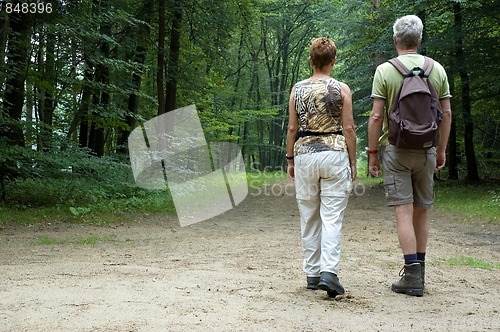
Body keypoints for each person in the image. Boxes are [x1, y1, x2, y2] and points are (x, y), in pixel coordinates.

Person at [368, 15, 452, 297]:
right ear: (419, 40)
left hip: (396, 149)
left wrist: (372, 154)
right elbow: (447, 113)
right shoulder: (436, 69)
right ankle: (421, 273)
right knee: (422, 212)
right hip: (427, 149)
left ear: (395, 40)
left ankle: (411, 276)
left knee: (403, 212)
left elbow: (377, 115)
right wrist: (441, 149)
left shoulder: (385, 70)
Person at [286, 37, 357, 298]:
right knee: (332, 216)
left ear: (311, 60)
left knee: (309, 213)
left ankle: (312, 274)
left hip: (304, 153)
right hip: (335, 154)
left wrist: (290, 158)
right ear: (333, 61)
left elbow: (292, 127)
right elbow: (349, 128)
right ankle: (330, 272)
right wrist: (352, 160)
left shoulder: (297, 89)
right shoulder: (342, 89)